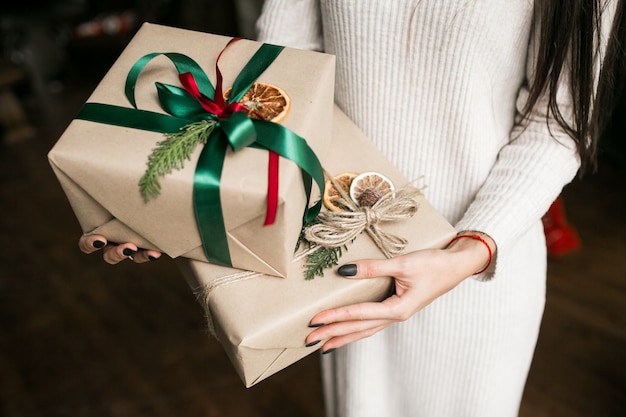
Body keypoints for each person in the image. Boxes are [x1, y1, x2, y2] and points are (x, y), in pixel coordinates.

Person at [79, 1, 625, 416]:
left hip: (474, 272)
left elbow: (555, 126)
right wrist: (180, 200)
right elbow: (282, 73)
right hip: (336, 252)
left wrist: (468, 251)